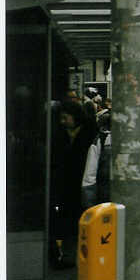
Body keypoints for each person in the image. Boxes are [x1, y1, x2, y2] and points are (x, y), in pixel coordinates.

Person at [82, 111, 140, 209]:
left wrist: (89, 201)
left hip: (107, 200)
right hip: (136, 199)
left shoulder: (101, 140)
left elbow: (90, 174)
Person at [50, 99, 96, 267]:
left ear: (75, 116)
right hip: (67, 185)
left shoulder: (90, 132)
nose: (63, 121)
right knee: (69, 222)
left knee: (83, 222)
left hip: (84, 184)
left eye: (65, 117)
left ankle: (84, 257)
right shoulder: (60, 133)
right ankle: (71, 256)